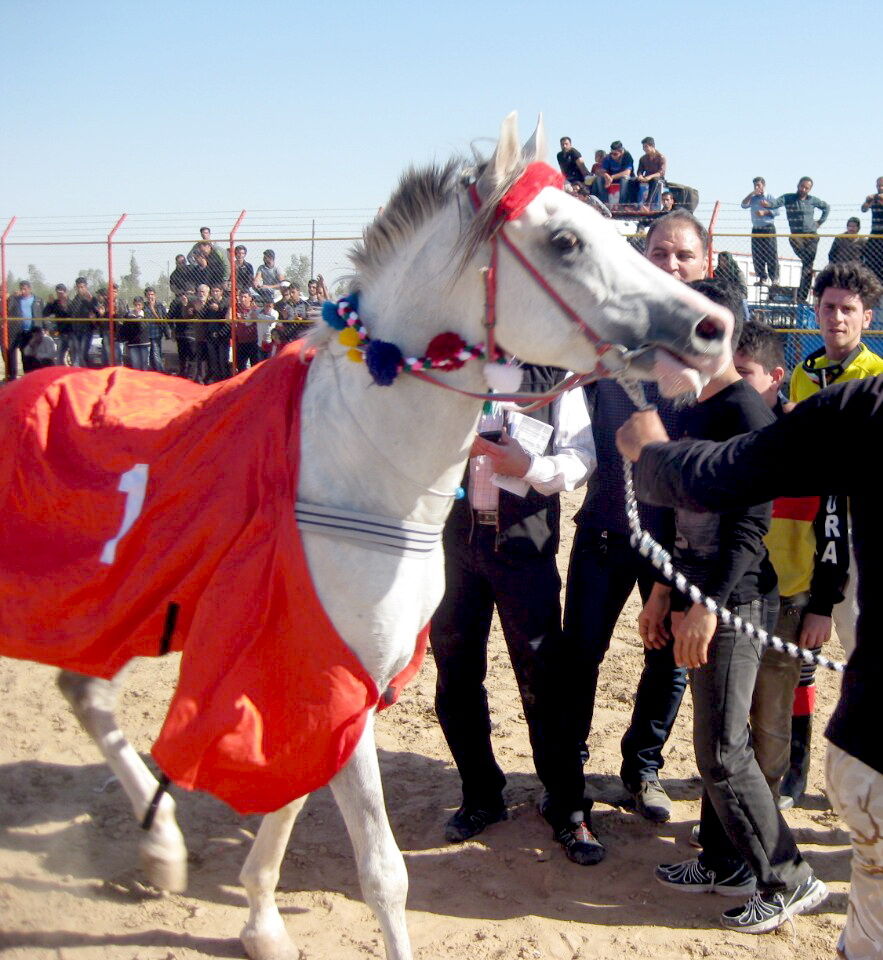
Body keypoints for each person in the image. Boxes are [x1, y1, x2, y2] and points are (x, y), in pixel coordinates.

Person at [615, 376, 883, 949]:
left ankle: (788, 876)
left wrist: (653, 453)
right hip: (706, 596)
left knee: (723, 748)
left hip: (737, 601)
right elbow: (687, 508)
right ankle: (721, 859)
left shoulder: (832, 405)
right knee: (714, 737)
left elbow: (742, 501)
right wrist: (668, 592)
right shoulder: (859, 408)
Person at [562, 209, 709, 829]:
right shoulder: (605, 338)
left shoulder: (717, 354)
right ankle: (564, 773)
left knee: (668, 660)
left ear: (708, 263)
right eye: (658, 253)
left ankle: (641, 768)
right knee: (580, 656)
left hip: (674, 543)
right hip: (602, 530)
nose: (670, 265)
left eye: (682, 255)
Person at [432, 365, 602, 865]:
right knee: (456, 675)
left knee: (544, 679)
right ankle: (481, 794)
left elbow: (581, 458)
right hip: (455, 545)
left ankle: (569, 809)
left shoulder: (553, 374)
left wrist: (527, 465)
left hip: (524, 548)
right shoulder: (452, 364)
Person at [733, 320, 848, 810]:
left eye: (745, 373)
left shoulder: (808, 446)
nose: (736, 385)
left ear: (775, 376)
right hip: (735, 597)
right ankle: (740, 804)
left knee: (777, 709)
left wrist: (822, 603)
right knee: (732, 714)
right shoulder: (729, 435)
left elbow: (832, 528)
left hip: (788, 599)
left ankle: (778, 787)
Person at [766, 177, 829, 302]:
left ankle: (802, 297)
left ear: (810, 189)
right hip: (797, 235)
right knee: (805, 259)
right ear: (798, 185)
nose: (804, 189)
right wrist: (768, 205)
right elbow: (776, 203)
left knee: (807, 267)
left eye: (807, 188)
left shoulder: (812, 200)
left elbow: (826, 207)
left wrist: (820, 222)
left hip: (811, 235)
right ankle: (806, 262)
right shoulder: (789, 198)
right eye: (802, 186)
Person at [740, 177, 780, 286]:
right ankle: (762, 278)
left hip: (768, 228)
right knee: (758, 254)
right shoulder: (753, 198)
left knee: (771, 253)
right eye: (755, 186)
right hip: (756, 228)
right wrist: (751, 194)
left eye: (759, 185)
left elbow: (777, 211)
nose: (757, 188)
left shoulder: (770, 197)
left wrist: (765, 212)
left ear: (764, 185)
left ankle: (774, 279)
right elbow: (743, 205)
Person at [6, 280, 44, 380]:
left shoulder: (37, 300)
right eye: (21, 289)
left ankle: (35, 375)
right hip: (21, 332)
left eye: (25, 289)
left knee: (34, 354)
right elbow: (8, 309)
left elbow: (42, 315)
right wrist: (12, 296)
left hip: (33, 331)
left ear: (29, 289)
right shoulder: (16, 300)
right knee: (24, 354)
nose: (23, 291)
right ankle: (26, 375)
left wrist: (44, 328)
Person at [69, 276, 99, 368]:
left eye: (82, 287)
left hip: (87, 330)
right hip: (75, 330)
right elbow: (70, 312)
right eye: (78, 287)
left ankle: (85, 371)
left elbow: (96, 312)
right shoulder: (75, 300)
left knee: (83, 352)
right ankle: (81, 371)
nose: (80, 289)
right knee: (76, 353)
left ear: (86, 287)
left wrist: (89, 303)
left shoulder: (92, 299)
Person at [43, 283, 75, 366]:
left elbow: (73, 315)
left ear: (66, 292)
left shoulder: (72, 303)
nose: (60, 295)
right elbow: (45, 313)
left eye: (61, 293)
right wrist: (49, 303)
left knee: (73, 355)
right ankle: (60, 372)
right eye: (58, 293)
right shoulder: (55, 303)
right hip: (61, 333)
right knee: (59, 355)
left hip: (72, 332)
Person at [860, 176, 883, 284]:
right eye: (878, 185)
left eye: (882, 185)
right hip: (875, 233)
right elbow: (863, 209)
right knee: (870, 260)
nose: (880, 188)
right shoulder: (874, 198)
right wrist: (868, 201)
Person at [599, 141, 634, 206]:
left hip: (623, 178)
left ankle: (622, 204)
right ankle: (604, 202)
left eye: (615, 154)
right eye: (611, 153)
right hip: (610, 178)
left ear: (621, 152)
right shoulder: (608, 157)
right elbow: (602, 171)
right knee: (599, 179)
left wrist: (612, 177)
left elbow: (627, 172)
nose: (613, 156)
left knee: (624, 179)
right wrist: (606, 175)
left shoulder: (627, 157)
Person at [635, 136, 666, 208]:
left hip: (657, 178)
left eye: (646, 147)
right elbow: (640, 170)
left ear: (652, 146)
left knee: (654, 181)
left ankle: (648, 203)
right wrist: (640, 175)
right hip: (646, 178)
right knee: (632, 181)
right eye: (643, 147)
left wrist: (650, 177)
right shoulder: (643, 158)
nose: (644, 149)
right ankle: (633, 203)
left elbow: (661, 172)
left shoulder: (661, 157)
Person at [143, 286, 169, 372]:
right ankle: (153, 371)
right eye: (148, 295)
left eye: (152, 294)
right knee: (149, 354)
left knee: (156, 352)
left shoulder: (159, 305)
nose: (150, 296)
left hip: (156, 333)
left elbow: (162, 320)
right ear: (146, 296)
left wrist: (152, 309)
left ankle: (160, 371)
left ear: (155, 295)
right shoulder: (144, 305)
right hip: (146, 333)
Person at [121, 297, 150, 370]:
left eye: (139, 305)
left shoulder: (145, 314)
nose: (137, 307)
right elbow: (126, 328)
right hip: (133, 343)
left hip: (144, 342)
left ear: (142, 305)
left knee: (144, 363)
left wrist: (138, 317)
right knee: (135, 363)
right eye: (136, 305)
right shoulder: (129, 315)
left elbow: (142, 327)